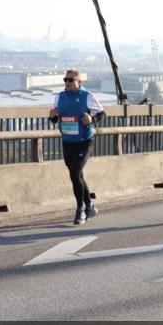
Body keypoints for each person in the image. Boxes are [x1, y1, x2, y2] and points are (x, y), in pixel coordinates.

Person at [48, 69, 105, 225]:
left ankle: (80, 210)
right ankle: (90, 206)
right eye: (65, 79)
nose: (67, 82)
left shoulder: (87, 97)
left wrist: (91, 119)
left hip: (84, 141)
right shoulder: (59, 97)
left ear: (80, 82)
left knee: (74, 173)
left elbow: (101, 113)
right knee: (77, 175)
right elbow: (54, 118)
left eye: (71, 80)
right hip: (67, 141)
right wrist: (52, 116)